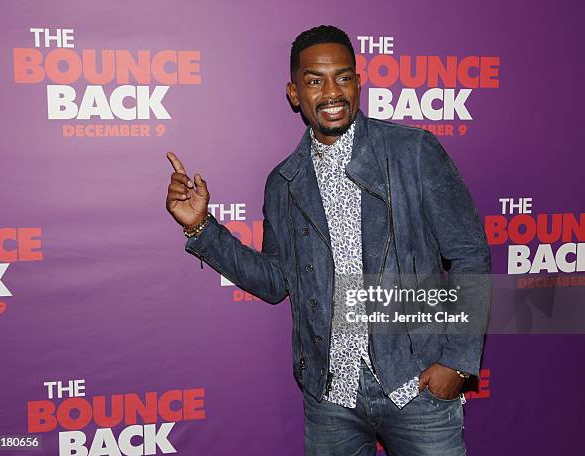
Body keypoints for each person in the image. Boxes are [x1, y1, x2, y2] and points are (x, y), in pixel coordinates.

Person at [165, 25, 490, 456]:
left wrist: (456, 361)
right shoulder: (284, 181)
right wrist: (202, 227)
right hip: (330, 397)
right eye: (315, 80)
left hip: (416, 386)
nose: (332, 91)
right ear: (294, 93)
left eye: (343, 77)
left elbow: (470, 254)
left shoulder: (413, 152)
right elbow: (275, 282)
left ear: (357, 82)